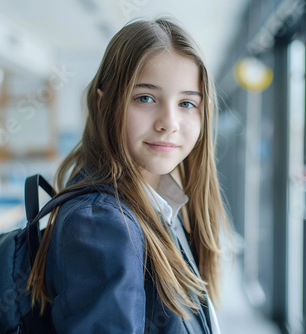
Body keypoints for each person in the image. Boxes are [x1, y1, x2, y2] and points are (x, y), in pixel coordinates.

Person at [28, 17, 230, 334]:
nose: (169, 122)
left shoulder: (164, 205)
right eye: (145, 98)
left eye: (187, 103)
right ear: (105, 101)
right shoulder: (100, 223)